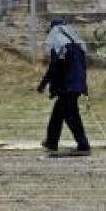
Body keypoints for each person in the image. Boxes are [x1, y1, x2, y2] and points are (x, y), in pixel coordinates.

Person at [37, 19, 91, 155]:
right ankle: (51, 141)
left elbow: (54, 67)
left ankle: (83, 144)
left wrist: (44, 84)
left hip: (68, 86)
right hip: (76, 84)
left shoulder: (59, 44)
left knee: (71, 115)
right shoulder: (76, 45)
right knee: (58, 112)